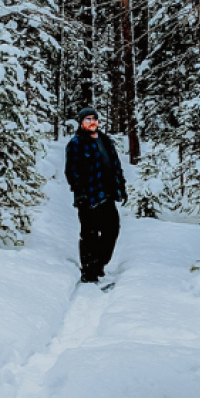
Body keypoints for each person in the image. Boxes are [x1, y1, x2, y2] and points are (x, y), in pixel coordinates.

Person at [65, 107, 127, 283]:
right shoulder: (76, 143)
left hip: (107, 195)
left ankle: (99, 264)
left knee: (112, 231)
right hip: (88, 197)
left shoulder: (105, 141)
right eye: (87, 119)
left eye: (94, 119)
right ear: (81, 122)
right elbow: (72, 171)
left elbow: (115, 166)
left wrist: (121, 188)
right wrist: (80, 194)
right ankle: (88, 272)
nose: (92, 122)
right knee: (89, 235)